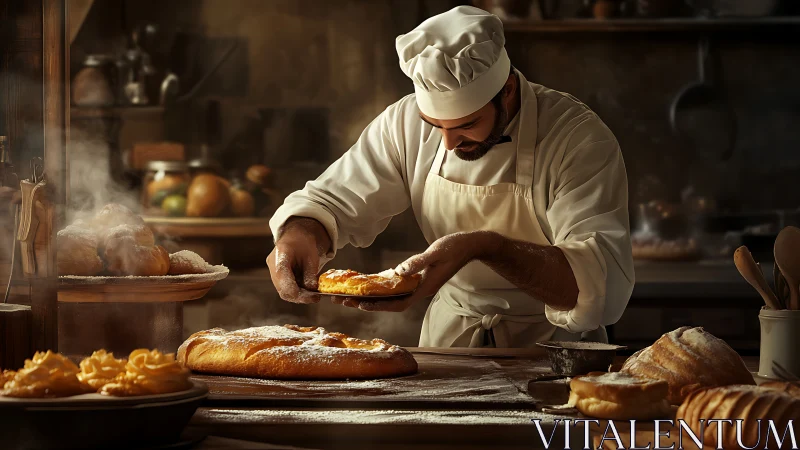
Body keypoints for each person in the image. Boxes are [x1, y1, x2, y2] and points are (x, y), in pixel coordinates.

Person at [266, 5, 634, 348]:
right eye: (434, 125)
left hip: (557, 350)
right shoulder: (404, 123)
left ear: (506, 91)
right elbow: (329, 201)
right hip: (452, 344)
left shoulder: (577, 138)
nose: (448, 141)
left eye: (467, 124)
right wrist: (298, 235)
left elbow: (597, 285)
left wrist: (485, 246)